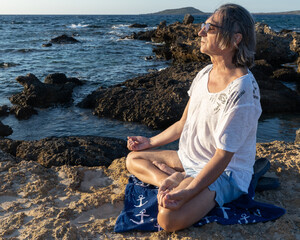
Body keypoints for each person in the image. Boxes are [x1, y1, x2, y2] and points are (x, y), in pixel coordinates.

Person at [126, 3, 261, 232]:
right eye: (203, 25)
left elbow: (222, 157)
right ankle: (170, 180)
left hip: (225, 173)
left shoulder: (242, 91)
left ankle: (179, 182)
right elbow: (182, 124)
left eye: (210, 27)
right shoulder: (204, 73)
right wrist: (150, 142)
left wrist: (189, 191)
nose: (200, 32)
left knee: (168, 220)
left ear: (235, 39)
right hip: (189, 159)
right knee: (133, 159)